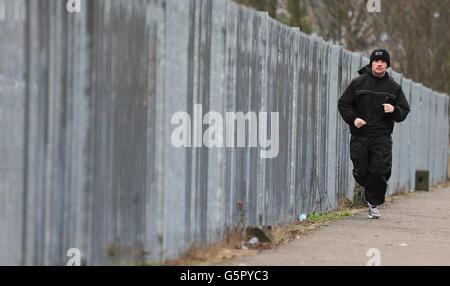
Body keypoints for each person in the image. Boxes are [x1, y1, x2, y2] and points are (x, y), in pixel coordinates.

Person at [338, 49, 410, 219]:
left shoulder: (394, 88)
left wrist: (394, 109)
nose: (379, 64)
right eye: (376, 61)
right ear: (371, 63)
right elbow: (343, 104)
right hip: (360, 135)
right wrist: (353, 119)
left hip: (381, 136)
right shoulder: (358, 83)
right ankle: (368, 190)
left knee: (379, 171)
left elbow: (404, 111)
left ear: (387, 65)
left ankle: (374, 203)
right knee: (361, 171)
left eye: (383, 62)